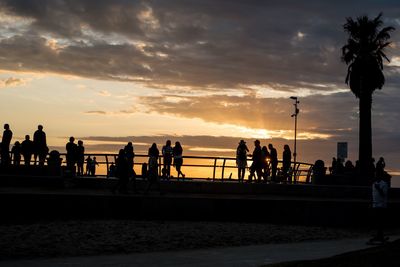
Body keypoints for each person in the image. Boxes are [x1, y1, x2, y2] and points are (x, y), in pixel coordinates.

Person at [369, 173, 390, 244]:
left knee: (380, 221)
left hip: (381, 205)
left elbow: (384, 194)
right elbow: (373, 194)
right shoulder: (374, 184)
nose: (376, 177)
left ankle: (380, 236)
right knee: (377, 221)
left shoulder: (384, 184)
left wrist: (378, 188)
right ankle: (378, 235)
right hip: (375, 205)